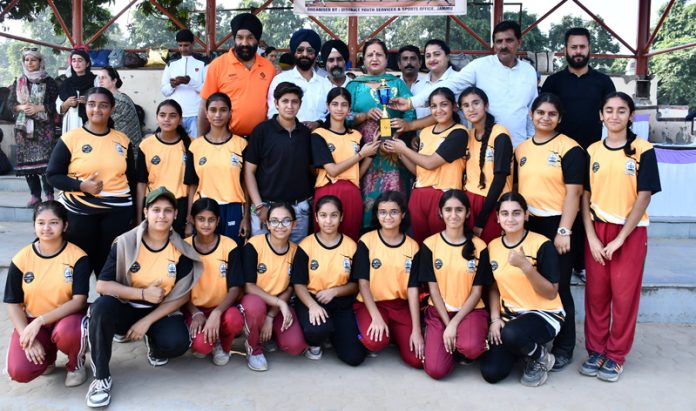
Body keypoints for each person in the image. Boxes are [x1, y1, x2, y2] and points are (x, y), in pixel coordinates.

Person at [85, 187, 201, 408]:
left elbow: (182, 296)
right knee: (100, 308)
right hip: (126, 306)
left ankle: (153, 342)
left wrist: (146, 322)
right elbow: (102, 284)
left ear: (176, 214)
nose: (161, 215)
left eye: (168, 211)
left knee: (177, 343)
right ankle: (101, 378)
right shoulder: (126, 242)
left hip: (159, 311)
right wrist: (142, 293)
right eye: (156, 209)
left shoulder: (181, 250)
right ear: (146, 212)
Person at [580, 92, 661, 382]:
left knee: (624, 298)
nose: (614, 116)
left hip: (630, 232)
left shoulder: (643, 149)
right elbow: (585, 196)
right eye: (609, 110)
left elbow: (644, 196)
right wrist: (590, 236)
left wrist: (619, 239)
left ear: (630, 115)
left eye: (621, 110)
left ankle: (615, 355)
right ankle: (596, 350)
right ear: (601, 115)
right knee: (597, 296)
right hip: (597, 231)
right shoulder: (592, 151)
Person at [514, 93, 585, 371]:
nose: (545, 118)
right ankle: (537, 338)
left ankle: (565, 346)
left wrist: (564, 229)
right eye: (540, 112)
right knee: (532, 284)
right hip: (529, 225)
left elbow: (574, 193)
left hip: (557, 224)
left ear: (560, 118)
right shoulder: (522, 149)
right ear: (532, 115)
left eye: (551, 114)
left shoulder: (570, 148)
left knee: (560, 286)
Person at [540, 27, 616, 283]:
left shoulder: (603, 82)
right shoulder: (554, 82)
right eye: (574, 47)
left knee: (587, 207)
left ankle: (582, 264)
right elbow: (544, 114)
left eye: (582, 47)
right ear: (565, 50)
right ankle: (561, 259)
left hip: (593, 155)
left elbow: (613, 115)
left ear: (589, 49)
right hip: (558, 154)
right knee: (562, 204)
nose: (578, 52)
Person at [394, 21, 538, 147]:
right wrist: (411, 102)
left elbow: (531, 112)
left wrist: (531, 143)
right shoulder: (480, 66)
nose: (503, 46)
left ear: (519, 42)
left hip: (520, 146)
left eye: (509, 40)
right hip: (485, 146)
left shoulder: (529, 71)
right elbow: (449, 86)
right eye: (499, 41)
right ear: (494, 45)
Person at [46, 87, 135, 275]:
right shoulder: (71, 138)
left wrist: (135, 214)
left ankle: (105, 302)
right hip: (79, 211)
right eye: (92, 105)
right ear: (85, 107)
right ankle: (79, 302)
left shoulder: (123, 140)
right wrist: (81, 186)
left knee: (110, 267)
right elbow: (53, 175)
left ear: (112, 109)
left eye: (103, 105)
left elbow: (132, 179)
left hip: (117, 212)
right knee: (80, 264)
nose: (97, 110)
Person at [480, 192, 564, 387]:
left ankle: (541, 356)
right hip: (510, 316)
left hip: (544, 314)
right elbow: (493, 288)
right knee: (491, 372)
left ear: (526, 215)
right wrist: (495, 319)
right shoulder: (492, 247)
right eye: (505, 214)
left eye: (516, 213)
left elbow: (551, 292)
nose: (510, 219)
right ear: (498, 217)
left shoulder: (542, 244)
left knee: (511, 334)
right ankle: (523, 349)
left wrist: (526, 266)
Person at [4, 201, 90, 386]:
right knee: (19, 371)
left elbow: (79, 301)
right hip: (34, 323)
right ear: (34, 225)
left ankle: (76, 364)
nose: (46, 228)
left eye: (53, 222)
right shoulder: (21, 258)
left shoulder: (78, 257)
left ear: (65, 225)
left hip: (67, 320)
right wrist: (26, 334)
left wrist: (41, 320)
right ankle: (47, 357)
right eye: (41, 223)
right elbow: (13, 303)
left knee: (71, 331)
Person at [418, 190, 491, 380]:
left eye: (459, 210)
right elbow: (433, 290)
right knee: (435, 370)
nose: (453, 215)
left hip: (470, 311)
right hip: (439, 311)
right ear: (440, 213)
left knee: (471, 348)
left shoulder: (480, 246)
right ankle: (445, 343)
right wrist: (447, 323)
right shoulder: (429, 244)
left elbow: (477, 293)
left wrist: (454, 324)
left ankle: (459, 343)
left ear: (467, 213)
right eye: (448, 210)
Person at [345, 39, 416, 229]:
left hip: (393, 151)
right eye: (370, 54)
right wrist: (363, 116)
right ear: (363, 60)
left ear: (386, 59)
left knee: (393, 200)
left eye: (379, 54)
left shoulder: (397, 84)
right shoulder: (353, 86)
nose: (374, 58)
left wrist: (404, 124)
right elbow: (342, 116)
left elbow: (410, 111)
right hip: (363, 152)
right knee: (364, 200)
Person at [382, 87, 468, 244]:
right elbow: (418, 170)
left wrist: (404, 149)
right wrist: (398, 152)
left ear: (454, 106)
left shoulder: (459, 133)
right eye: (434, 106)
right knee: (420, 245)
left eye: (444, 105)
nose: (438, 110)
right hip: (419, 194)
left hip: (444, 196)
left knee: (441, 244)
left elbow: (430, 163)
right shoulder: (426, 132)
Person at [291, 196, 367, 365]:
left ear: (341, 217)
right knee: (317, 330)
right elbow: (298, 284)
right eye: (323, 215)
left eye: (333, 215)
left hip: (340, 302)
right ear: (316, 218)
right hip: (312, 299)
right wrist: (312, 305)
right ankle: (317, 341)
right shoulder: (306, 245)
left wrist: (335, 291)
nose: (328, 221)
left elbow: (355, 285)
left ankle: (335, 333)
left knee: (354, 357)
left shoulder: (351, 246)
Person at [351, 191, 423, 368]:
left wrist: (416, 329)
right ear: (376, 214)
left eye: (394, 212)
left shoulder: (412, 246)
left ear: (403, 214)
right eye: (383, 212)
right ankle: (376, 328)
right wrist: (375, 317)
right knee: (375, 342)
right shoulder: (367, 241)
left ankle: (396, 333)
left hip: (400, 306)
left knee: (417, 360)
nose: (388, 217)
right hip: (372, 304)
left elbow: (413, 288)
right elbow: (363, 284)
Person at [239, 202, 309, 371]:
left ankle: (270, 336)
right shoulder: (254, 245)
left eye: (286, 221)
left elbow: (291, 287)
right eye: (275, 221)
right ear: (268, 224)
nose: (280, 226)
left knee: (295, 346)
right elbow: (248, 286)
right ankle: (253, 348)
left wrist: (271, 315)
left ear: (294, 224)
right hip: (254, 302)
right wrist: (280, 303)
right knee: (255, 306)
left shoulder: (296, 251)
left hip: (277, 305)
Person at [244, 82, 313, 244]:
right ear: (276, 104)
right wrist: (259, 206)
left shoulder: (305, 134)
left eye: (294, 101)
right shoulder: (262, 131)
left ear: (300, 104)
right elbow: (249, 172)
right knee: (261, 256)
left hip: (298, 210)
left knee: (295, 257)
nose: (290, 106)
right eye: (285, 101)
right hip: (266, 207)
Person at [312, 87, 380, 241]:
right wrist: (361, 154)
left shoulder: (356, 135)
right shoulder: (319, 135)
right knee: (325, 239)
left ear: (349, 108)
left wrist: (372, 151)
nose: (339, 108)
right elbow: (333, 171)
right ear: (327, 106)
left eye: (344, 105)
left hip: (352, 192)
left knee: (350, 239)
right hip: (327, 191)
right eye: (335, 104)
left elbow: (358, 173)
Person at [185, 198, 244, 366]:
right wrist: (195, 313)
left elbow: (234, 288)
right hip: (195, 309)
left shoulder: (229, 245)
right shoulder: (184, 247)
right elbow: (181, 290)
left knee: (235, 319)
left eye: (211, 220)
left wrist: (217, 312)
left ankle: (223, 345)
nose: (206, 224)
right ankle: (207, 338)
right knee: (201, 348)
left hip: (222, 307)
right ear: (192, 220)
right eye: (201, 219)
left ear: (218, 221)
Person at [186, 93, 249, 242]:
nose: (218, 115)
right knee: (205, 255)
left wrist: (246, 217)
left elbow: (246, 184)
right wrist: (190, 219)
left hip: (233, 208)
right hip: (204, 208)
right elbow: (192, 184)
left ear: (230, 113)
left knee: (232, 254)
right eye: (213, 110)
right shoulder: (196, 146)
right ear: (206, 113)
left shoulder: (241, 145)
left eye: (223, 110)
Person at [199, 13, 275, 137]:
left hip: (260, 140)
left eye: (250, 37)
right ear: (234, 39)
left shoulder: (269, 68)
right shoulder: (218, 65)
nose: (244, 42)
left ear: (257, 40)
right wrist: (200, 141)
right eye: (240, 37)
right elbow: (204, 105)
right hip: (226, 139)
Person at [459, 87, 513, 243]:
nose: (471, 108)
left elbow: (500, 179)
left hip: (492, 203)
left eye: (476, 103)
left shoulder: (500, 134)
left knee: (491, 251)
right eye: (466, 105)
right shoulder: (467, 135)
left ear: (486, 106)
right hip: (470, 201)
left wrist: (481, 221)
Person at [9, 48, 59, 207]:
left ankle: (49, 195)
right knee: (28, 165)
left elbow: (55, 105)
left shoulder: (49, 81)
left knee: (45, 163)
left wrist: (39, 108)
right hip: (24, 129)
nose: (29, 63)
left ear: (40, 62)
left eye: (33, 60)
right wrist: (22, 107)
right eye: (26, 60)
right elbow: (11, 105)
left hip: (44, 128)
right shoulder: (19, 81)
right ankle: (35, 196)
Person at [136, 99, 191, 236]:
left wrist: (190, 219)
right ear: (156, 118)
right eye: (162, 115)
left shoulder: (191, 145)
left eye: (172, 115)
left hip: (180, 205)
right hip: (154, 204)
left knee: (176, 250)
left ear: (180, 119)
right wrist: (138, 217)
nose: (167, 119)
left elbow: (193, 185)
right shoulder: (146, 145)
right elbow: (141, 183)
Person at [267, 29, 333, 130]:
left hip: (319, 138)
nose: (305, 54)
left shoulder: (326, 84)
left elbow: (331, 113)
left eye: (310, 50)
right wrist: (294, 126)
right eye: (300, 50)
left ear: (315, 54)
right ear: (294, 52)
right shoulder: (280, 80)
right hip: (288, 139)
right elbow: (272, 113)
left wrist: (318, 123)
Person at [161, 28, 208, 139]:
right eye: (180, 45)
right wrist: (172, 85)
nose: (183, 49)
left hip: (196, 114)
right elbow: (164, 91)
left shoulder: (203, 63)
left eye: (186, 45)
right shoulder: (171, 63)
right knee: (176, 146)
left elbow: (207, 90)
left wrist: (190, 82)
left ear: (193, 43)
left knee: (195, 147)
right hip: (175, 114)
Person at [97, 66, 143, 150]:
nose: (100, 81)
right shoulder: (112, 98)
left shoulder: (119, 101)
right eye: (99, 78)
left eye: (103, 78)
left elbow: (100, 124)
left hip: (128, 150)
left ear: (114, 81)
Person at [411, 39, 458, 120]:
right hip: (422, 133)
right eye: (428, 56)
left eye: (436, 54)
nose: (432, 59)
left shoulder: (459, 80)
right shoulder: (417, 86)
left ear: (447, 57)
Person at [57, 48, 97, 134]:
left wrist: (88, 102)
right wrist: (67, 103)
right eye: (74, 61)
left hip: (91, 122)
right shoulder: (66, 83)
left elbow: (104, 102)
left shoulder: (95, 81)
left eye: (80, 60)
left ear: (87, 63)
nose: (76, 64)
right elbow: (59, 109)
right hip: (71, 123)